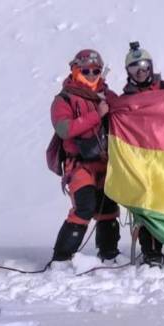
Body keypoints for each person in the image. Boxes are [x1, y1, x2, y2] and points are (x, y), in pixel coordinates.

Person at [120, 42, 164, 266]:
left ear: (150, 66)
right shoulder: (126, 100)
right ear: (128, 72)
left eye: (143, 66)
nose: (140, 72)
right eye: (134, 68)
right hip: (143, 162)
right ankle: (151, 250)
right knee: (147, 206)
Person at [49, 49, 120, 262]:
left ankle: (109, 254)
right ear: (75, 70)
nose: (91, 75)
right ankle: (61, 258)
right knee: (84, 206)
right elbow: (64, 129)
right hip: (79, 164)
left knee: (108, 208)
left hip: (105, 162)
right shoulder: (64, 99)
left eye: (96, 70)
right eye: (86, 70)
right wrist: (96, 115)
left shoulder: (108, 96)